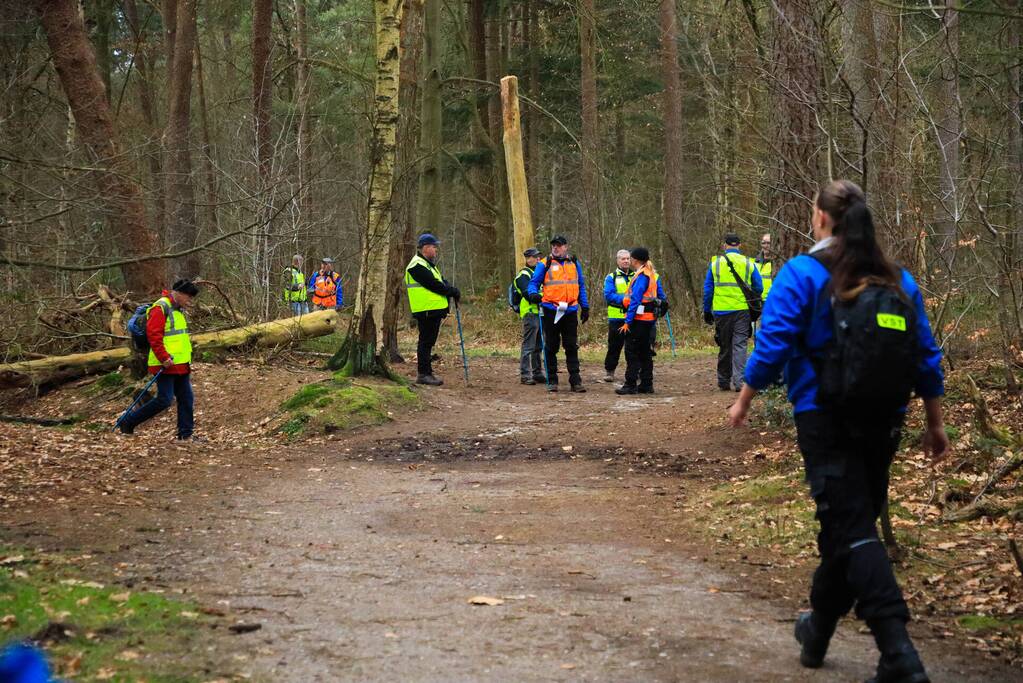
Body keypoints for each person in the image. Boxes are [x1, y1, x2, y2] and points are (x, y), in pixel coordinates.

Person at [727, 180, 947, 683]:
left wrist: (745, 398)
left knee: (851, 529)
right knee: (848, 527)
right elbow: (926, 354)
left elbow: (774, 341)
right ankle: (819, 628)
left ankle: (899, 652)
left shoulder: (802, 273)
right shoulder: (897, 279)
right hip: (886, 417)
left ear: (822, 219)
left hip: (824, 416)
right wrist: (934, 422)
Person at [118, 279, 201, 440]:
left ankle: (186, 435)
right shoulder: (160, 307)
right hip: (166, 364)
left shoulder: (178, 310)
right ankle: (127, 422)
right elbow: (153, 336)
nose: (189, 301)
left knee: (186, 398)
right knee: (164, 400)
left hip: (181, 364)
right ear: (178, 293)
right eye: (188, 297)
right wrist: (164, 357)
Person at [526, 234, 590, 393]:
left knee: (571, 346)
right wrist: (533, 294)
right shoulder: (544, 263)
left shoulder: (574, 263)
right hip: (550, 310)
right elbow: (533, 283)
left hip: (570, 310)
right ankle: (552, 380)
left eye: (559, 245)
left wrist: (585, 306)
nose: (555, 248)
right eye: (553, 245)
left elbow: (580, 285)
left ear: (566, 247)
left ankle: (575, 380)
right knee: (551, 346)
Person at [703, 233, 763, 391]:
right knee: (740, 345)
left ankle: (723, 380)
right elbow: (759, 287)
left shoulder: (715, 263)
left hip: (721, 311)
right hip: (742, 310)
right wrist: (751, 297)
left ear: (725, 245)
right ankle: (739, 382)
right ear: (740, 245)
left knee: (724, 345)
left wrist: (707, 310)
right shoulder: (748, 263)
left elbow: (708, 290)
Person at [404, 233, 460, 385]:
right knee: (425, 342)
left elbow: (441, 281)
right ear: (425, 248)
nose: (436, 249)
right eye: (434, 247)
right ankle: (424, 374)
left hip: (432, 310)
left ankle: (427, 372)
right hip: (426, 310)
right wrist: (452, 291)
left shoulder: (427, 264)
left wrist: (451, 289)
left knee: (428, 342)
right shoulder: (416, 265)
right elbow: (434, 285)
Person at [615, 247, 666, 395]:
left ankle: (630, 384)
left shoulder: (642, 276)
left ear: (635, 260)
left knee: (632, 351)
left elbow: (635, 300)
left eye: (631, 258)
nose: (629, 260)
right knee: (645, 351)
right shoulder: (649, 273)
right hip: (648, 320)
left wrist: (628, 321)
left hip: (639, 320)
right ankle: (646, 384)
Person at [514, 247, 546, 385]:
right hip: (530, 313)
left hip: (540, 312)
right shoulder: (524, 274)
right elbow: (527, 294)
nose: (538, 259)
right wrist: (544, 296)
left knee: (539, 345)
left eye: (539, 256)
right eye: (535, 256)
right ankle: (525, 374)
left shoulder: (539, 273)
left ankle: (537, 372)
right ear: (528, 259)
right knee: (528, 345)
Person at [601, 249, 633, 383]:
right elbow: (609, 295)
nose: (626, 261)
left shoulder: (636, 276)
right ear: (617, 261)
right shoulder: (611, 277)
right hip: (616, 318)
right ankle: (610, 371)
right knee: (614, 346)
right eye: (623, 259)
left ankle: (633, 372)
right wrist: (626, 299)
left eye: (628, 258)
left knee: (633, 347)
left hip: (633, 317)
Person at [756, 233, 775, 300]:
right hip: (757, 302)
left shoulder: (778, 263)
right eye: (763, 243)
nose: (766, 246)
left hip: (772, 301)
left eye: (768, 243)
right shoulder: (754, 262)